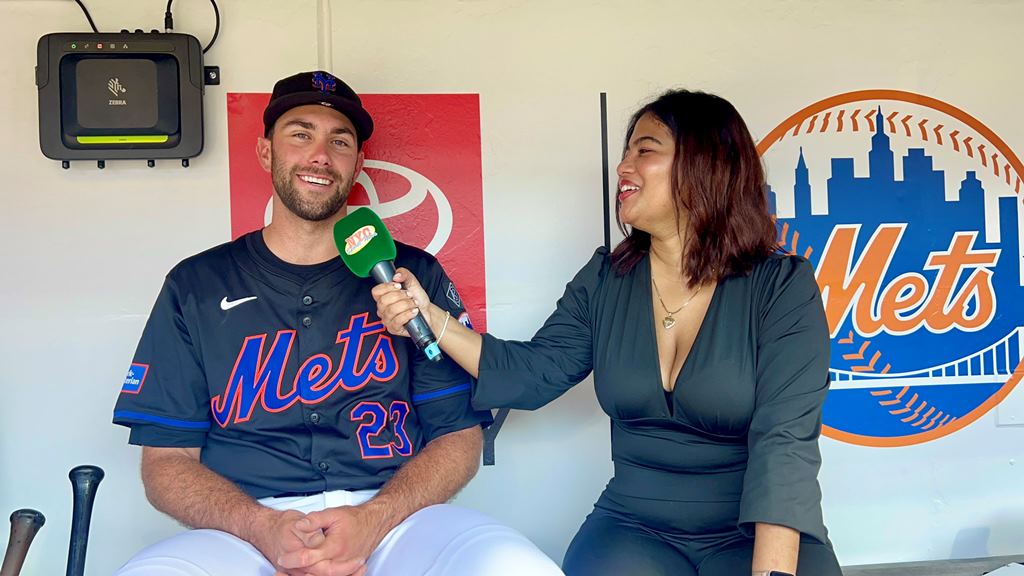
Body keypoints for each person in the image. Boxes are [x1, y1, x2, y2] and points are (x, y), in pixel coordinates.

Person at [372, 89, 843, 576]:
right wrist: (431, 317)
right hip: (635, 529)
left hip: (755, 527)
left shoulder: (781, 286)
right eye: (625, 152)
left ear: (706, 164)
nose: (623, 167)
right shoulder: (606, 278)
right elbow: (532, 375)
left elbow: (784, 444)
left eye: (645, 150)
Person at [111, 70, 563, 576]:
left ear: (358, 163)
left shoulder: (410, 275)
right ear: (266, 152)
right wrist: (261, 526)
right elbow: (166, 461)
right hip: (245, 529)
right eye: (300, 135)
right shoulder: (195, 284)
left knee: (516, 567)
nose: (320, 156)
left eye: (339, 141)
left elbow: (458, 437)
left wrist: (374, 519)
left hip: (395, 519)